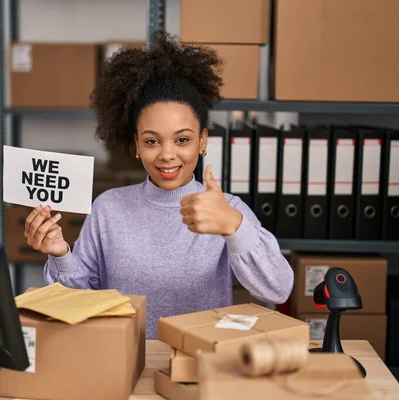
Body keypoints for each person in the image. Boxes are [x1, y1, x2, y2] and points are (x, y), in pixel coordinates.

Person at [23, 31, 293, 339]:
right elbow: (77, 302)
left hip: (198, 366)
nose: (167, 154)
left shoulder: (225, 209)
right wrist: (60, 254)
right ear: (137, 144)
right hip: (122, 363)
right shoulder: (109, 207)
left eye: (182, 140)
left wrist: (234, 226)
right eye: (152, 141)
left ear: (202, 141)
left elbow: (278, 287)